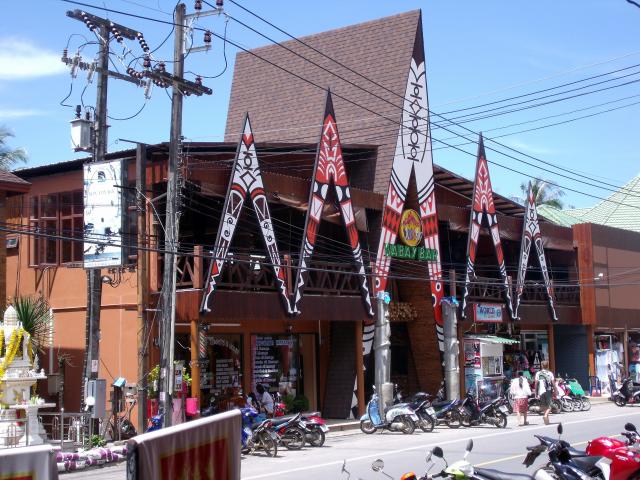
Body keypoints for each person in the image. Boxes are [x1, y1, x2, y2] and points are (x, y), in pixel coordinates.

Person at [534, 360, 555, 425]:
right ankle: (545, 416)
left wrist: (536, 392)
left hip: (541, 391)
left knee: (544, 406)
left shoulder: (538, 373)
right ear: (547, 366)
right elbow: (553, 383)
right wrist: (555, 390)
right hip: (548, 391)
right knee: (550, 406)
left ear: (542, 366)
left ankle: (547, 421)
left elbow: (536, 384)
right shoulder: (550, 373)